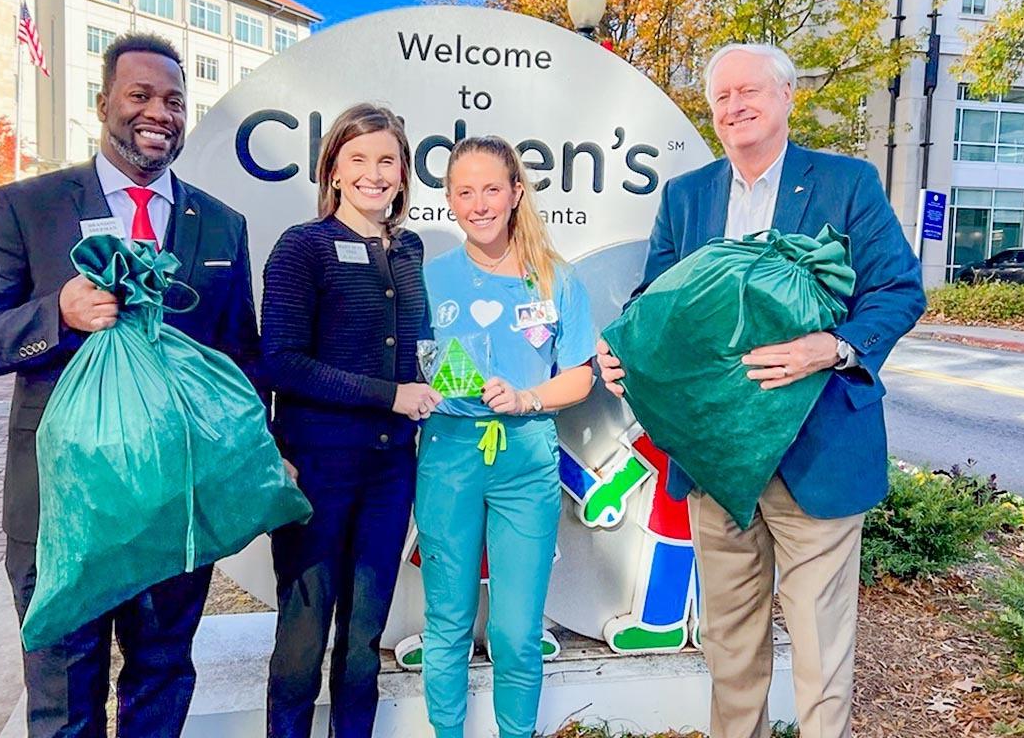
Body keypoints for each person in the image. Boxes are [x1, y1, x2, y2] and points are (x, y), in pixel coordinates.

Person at [0, 32, 262, 738]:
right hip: (64, 517)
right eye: (140, 95)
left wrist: (260, 458)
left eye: (174, 100)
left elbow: (243, 365)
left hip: (175, 513)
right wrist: (56, 313)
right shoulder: (29, 207)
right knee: (62, 705)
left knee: (163, 680)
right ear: (103, 103)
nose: (159, 112)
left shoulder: (222, 226)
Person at [597, 43, 926, 738]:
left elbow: (897, 290)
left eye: (750, 91)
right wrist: (622, 344)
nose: (735, 106)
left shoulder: (847, 183)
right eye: (721, 97)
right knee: (730, 644)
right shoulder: (689, 197)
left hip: (818, 449)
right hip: (717, 458)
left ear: (786, 96)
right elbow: (651, 302)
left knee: (820, 646)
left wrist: (831, 346)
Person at [261, 103, 441, 738]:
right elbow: (281, 361)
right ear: (333, 169)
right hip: (317, 471)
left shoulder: (410, 248)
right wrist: (388, 394)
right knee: (304, 637)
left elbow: (421, 347)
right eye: (358, 159)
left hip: (391, 472)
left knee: (365, 639)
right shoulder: (302, 248)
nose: (374, 173)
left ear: (403, 172)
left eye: (387, 160)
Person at [418, 135, 595, 738]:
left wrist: (527, 397)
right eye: (463, 191)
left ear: (517, 192)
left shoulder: (556, 280)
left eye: (492, 188)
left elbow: (578, 376)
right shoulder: (430, 276)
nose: (479, 203)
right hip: (448, 456)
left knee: (517, 631)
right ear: (448, 200)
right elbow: (406, 362)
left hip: (525, 459)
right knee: (447, 619)